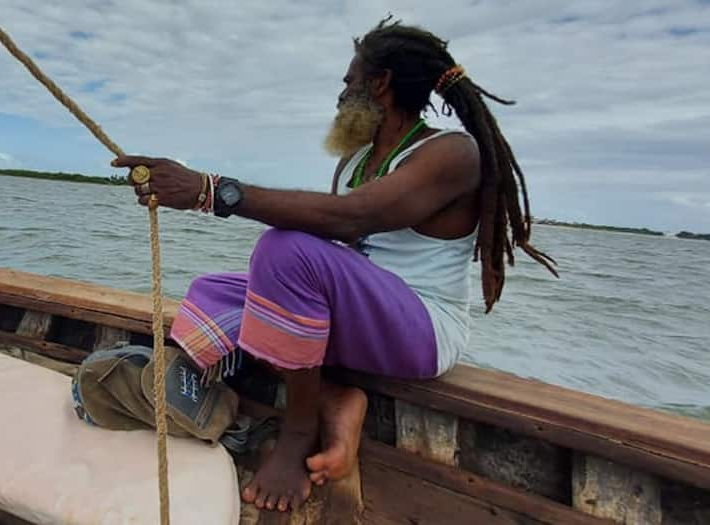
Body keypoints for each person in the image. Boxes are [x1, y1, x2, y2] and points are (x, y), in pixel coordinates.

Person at [112, 18, 557, 513]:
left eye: (348, 82)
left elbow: (350, 220)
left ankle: (299, 432)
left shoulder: (451, 153)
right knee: (214, 291)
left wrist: (211, 191)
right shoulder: (356, 161)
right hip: (361, 319)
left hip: (423, 328)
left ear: (380, 84)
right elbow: (328, 248)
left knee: (282, 253)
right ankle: (336, 398)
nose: (340, 94)